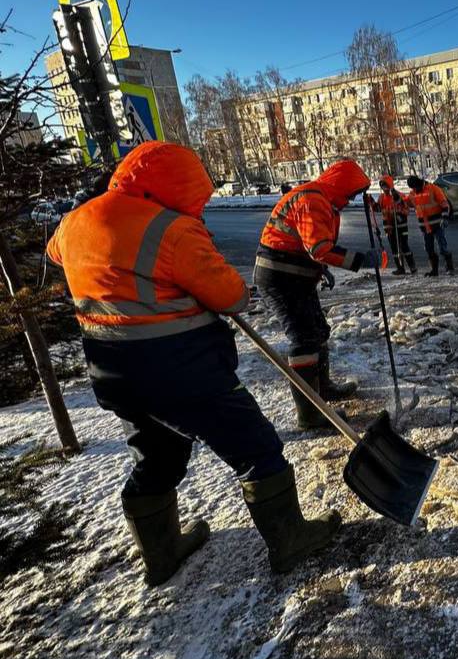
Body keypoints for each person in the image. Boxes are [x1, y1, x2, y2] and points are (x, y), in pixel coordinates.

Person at [46, 141, 340, 586]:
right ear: (178, 186)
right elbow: (230, 296)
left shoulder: (73, 222)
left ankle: (160, 556)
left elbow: (57, 254)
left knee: (158, 455)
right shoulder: (171, 229)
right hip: (182, 370)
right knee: (255, 448)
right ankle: (290, 540)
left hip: (113, 371)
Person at [253, 159, 381, 430]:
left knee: (318, 331)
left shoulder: (322, 200)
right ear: (342, 186)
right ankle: (310, 414)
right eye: (351, 193)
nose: (351, 200)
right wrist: (360, 260)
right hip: (281, 278)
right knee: (303, 339)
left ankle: (323, 390)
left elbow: (306, 244)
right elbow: (320, 247)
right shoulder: (313, 199)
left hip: (296, 276)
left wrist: (320, 269)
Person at [406, 174, 453, 277]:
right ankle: (434, 270)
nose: (414, 189)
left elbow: (444, 203)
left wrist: (445, 217)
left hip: (437, 224)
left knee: (442, 247)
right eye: (412, 188)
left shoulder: (433, 189)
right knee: (429, 249)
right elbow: (407, 203)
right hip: (424, 227)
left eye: (415, 187)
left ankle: (449, 268)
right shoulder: (413, 193)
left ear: (419, 183)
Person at [377, 174, 416, 275]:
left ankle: (412, 267)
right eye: (382, 186)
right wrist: (371, 202)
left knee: (404, 246)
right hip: (389, 227)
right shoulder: (381, 198)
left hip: (400, 225)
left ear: (390, 185)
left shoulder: (399, 195)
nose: (384, 188)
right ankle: (400, 267)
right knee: (394, 248)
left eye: (385, 185)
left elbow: (406, 209)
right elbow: (378, 209)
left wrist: (399, 215)